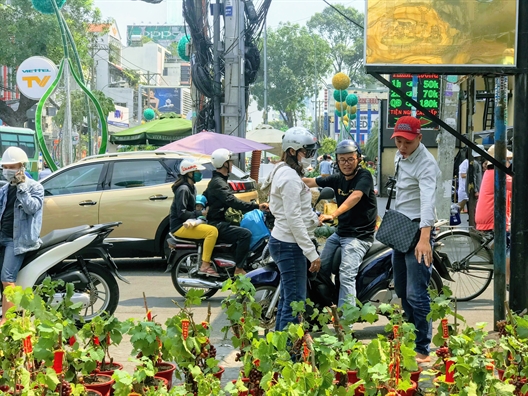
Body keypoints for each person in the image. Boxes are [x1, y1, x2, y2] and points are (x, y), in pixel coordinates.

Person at [390, 116, 440, 363]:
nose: (402, 147)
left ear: (420, 138)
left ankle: (422, 347)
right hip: (401, 228)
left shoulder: (427, 164)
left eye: (407, 142)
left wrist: (425, 238)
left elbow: (427, 200)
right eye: (398, 141)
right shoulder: (400, 156)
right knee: (400, 288)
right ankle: (411, 335)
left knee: (416, 292)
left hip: (419, 230)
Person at [303, 140, 377, 307]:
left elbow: (356, 196)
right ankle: (326, 306)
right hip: (340, 233)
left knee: (346, 274)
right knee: (319, 267)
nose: (346, 163)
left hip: (359, 236)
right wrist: (285, 176)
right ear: (337, 161)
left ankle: (347, 321)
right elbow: (310, 182)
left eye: (350, 159)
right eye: (342, 160)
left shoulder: (364, 176)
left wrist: (333, 214)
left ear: (358, 159)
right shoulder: (337, 179)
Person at [261, 127, 321, 330]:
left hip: (283, 240)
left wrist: (314, 219)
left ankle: (281, 351)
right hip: (290, 244)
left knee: (289, 299)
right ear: (293, 151)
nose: (310, 157)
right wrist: (312, 253)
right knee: (295, 304)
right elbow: (294, 219)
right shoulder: (289, 179)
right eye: (307, 152)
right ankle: (290, 354)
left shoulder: (283, 171)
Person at [204, 149, 269, 276]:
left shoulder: (219, 181)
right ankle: (239, 268)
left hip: (219, 220)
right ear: (224, 164)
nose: (232, 165)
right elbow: (233, 202)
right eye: (230, 162)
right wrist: (256, 206)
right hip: (217, 223)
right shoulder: (219, 183)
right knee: (245, 234)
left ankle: (234, 262)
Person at [0, 147, 44, 325]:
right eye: (5, 166)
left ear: (21, 167)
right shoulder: (3, 189)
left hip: (17, 241)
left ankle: (7, 322)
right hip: (2, 236)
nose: (8, 170)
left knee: (7, 279)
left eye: (12, 166)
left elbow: (32, 208)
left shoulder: (35, 187)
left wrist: (22, 186)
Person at [170, 159, 220, 277]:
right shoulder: (183, 189)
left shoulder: (191, 188)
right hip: (180, 226)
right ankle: (205, 265)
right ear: (189, 173)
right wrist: (199, 213)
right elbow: (181, 213)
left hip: (189, 222)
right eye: (196, 171)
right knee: (212, 232)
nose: (199, 174)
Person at [475, 145, 513, 284]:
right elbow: (518, 185)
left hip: (489, 217)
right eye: (507, 160)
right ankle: (508, 279)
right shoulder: (498, 174)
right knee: (511, 245)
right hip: (492, 219)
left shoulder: (491, 172)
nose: (509, 163)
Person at [466, 145, 484, 227]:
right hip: (474, 191)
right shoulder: (474, 164)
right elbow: (473, 177)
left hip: (476, 189)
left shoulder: (476, 163)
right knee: (474, 209)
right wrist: (476, 190)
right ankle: (474, 226)